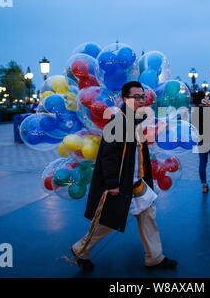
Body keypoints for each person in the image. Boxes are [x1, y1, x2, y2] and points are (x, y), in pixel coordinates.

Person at [71, 81, 177, 271]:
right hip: (121, 183)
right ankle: (80, 249)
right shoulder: (118, 123)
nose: (141, 100)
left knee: (148, 215)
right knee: (108, 222)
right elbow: (108, 156)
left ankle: (155, 257)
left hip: (137, 181)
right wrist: (112, 183)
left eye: (143, 96)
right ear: (124, 99)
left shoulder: (134, 121)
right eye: (137, 97)